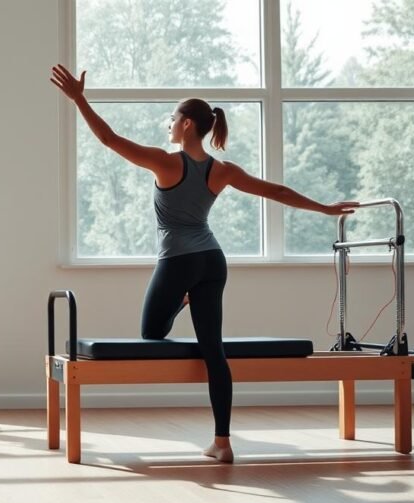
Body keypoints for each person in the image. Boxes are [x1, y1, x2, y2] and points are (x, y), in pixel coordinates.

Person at [49, 64, 356, 463]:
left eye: (173, 118)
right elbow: (275, 190)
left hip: (179, 261)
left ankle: (182, 302)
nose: (169, 123)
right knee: (214, 350)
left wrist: (79, 99)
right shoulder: (221, 170)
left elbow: (108, 139)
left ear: (188, 124)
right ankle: (222, 443)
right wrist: (324, 209)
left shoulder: (166, 162)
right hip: (213, 260)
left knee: (151, 330)